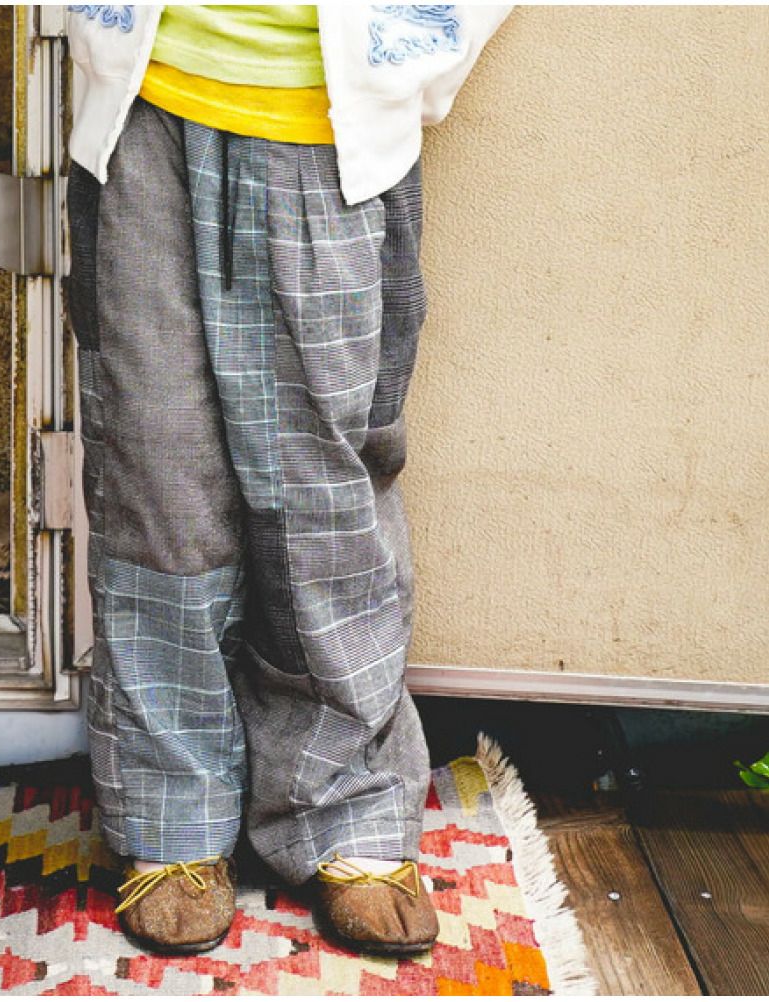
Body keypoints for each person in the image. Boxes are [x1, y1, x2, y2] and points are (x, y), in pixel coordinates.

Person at [64, 3, 511, 956]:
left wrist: (408, 60)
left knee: (324, 493)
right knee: (154, 479)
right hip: (145, 114)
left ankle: (347, 807)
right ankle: (173, 817)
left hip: (330, 140)